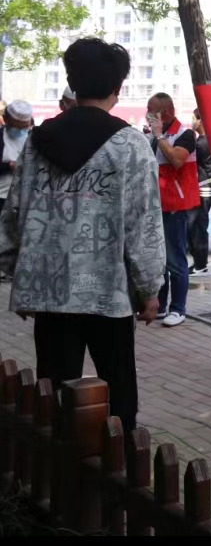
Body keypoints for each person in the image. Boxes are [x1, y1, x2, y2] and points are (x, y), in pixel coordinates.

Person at [0, 38, 165, 433]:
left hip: (51, 292)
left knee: (53, 393)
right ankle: (121, 458)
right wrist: (149, 288)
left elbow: (15, 212)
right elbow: (143, 223)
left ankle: (58, 465)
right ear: (118, 88)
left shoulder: (39, 142)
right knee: (118, 392)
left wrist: (20, 276)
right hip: (109, 293)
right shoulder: (130, 145)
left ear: (73, 84)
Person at [147, 93, 200, 328]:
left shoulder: (185, 135)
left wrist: (159, 136)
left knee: (175, 259)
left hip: (175, 207)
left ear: (165, 113)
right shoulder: (154, 137)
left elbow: (177, 160)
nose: (148, 115)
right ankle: (160, 305)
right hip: (156, 206)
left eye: (151, 111)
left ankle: (178, 309)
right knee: (158, 261)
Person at [188, 108, 211, 276]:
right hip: (204, 188)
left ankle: (201, 265)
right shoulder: (206, 141)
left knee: (198, 227)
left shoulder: (202, 144)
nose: (193, 122)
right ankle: (199, 263)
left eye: (194, 118)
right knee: (197, 227)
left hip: (202, 189)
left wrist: (190, 134)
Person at [0, 100, 34, 215]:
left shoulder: (34, 138)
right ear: (5, 119)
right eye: (16, 127)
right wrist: (8, 166)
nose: (20, 131)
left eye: (24, 127)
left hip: (25, 196)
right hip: (2, 196)